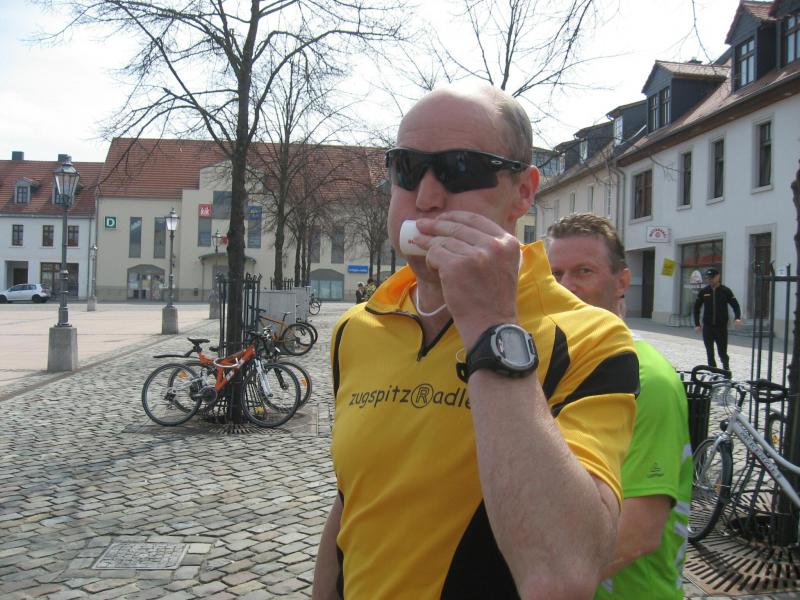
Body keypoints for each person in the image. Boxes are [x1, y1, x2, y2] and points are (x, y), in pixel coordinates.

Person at [312, 83, 638, 599]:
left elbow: (563, 574)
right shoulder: (358, 327)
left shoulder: (592, 337)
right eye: (407, 168)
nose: (426, 198)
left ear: (523, 191)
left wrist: (492, 325)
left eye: (460, 168)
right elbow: (354, 497)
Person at [546, 213, 692, 600]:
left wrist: (533, 586)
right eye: (555, 274)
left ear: (622, 281)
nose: (566, 286)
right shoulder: (553, 368)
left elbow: (637, 533)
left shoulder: (647, 378)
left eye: (584, 271)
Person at [693, 267, 742, 372]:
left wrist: (737, 318)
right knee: (709, 351)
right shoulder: (704, 291)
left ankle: (726, 369)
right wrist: (697, 324)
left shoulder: (725, 291)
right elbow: (696, 308)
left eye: (712, 278)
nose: (709, 280)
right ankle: (713, 371)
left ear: (718, 277)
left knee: (722, 352)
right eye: (708, 278)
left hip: (721, 327)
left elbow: (735, 305)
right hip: (708, 327)